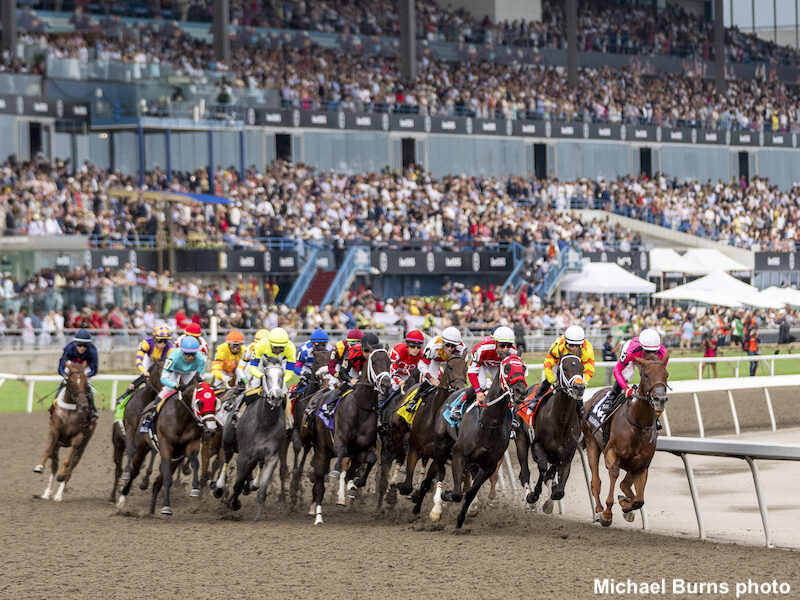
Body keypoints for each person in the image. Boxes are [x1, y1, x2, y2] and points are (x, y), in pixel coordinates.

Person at [589, 328, 667, 437]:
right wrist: (626, 389)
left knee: (655, 387)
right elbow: (617, 371)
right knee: (627, 375)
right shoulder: (631, 350)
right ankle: (611, 398)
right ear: (641, 347)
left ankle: (655, 417)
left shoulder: (663, 353)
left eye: (654, 352)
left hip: (647, 363)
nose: (651, 355)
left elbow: (658, 376)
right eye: (648, 352)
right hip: (634, 357)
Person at [140, 335, 207, 435]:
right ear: (182, 351)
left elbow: (201, 378)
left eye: (193, 354)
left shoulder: (201, 359)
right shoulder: (173, 357)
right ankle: (150, 417)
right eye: (187, 354)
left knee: (196, 393)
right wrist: (176, 386)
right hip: (175, 371)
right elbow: (163, 379)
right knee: (167, 390)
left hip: (190, 372)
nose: (190, 357)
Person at [450, 326, 514, 421]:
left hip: (496, 365)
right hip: (483, 363)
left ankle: (510, 415)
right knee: (482, 385)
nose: (505, 349)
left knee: (504, 386)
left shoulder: (513, 352)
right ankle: (458, 406)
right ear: (495, 343)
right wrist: (478, 391)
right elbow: (472, 373)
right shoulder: (481, 349)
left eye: (509, 345)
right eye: (502, 345)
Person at [531, 325, 595, 419]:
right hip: (558, 364)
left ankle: (580, 407)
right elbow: (548, 364)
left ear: (582, 344)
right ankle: (536, 400)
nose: (574, 348)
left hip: (575, 367)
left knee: (578, 388)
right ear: (566, 342)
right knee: (547, 382)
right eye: (571, 345)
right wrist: (553, 381)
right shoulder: (558, 346)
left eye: (577, 345)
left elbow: (589, 368)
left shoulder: (587, 349)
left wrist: (580, 381)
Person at [246, 327, 300, 425]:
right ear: (270, 344)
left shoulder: (291, 348)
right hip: (263, 363)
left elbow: (289, 372)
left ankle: (288, 420)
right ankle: (240, 414)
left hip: (280, 364)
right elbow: (252, 368)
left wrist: (281, 380)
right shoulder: (260, 345)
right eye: (275, 347)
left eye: (281, 348)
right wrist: (261, 376)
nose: (278, 350)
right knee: (254, 384)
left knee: (283, 391)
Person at [321, 332, 382, 419]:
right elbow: (342, 372)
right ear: (361, 348)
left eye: (371, 351)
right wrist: (350, 380)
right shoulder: (351, 352)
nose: (368, 355)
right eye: (366, 351)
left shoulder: (379, 355)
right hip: (353, 367)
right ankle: (330, 404)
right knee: (349, 384)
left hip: (367, 369)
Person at [56, 328, 99, 420]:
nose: (82, 348)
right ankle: (54, 405)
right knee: (63, 383)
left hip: (85, 368)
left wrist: (87, 376)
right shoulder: (69, 348)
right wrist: (63, 374)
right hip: (72, 366)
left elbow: (94, 369)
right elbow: (61, 364)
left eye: (85, 345)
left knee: (86, 386)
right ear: (75, 343)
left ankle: (92, 410)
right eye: (80, 345)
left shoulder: (93, 351)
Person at [292, 328, 332, 401]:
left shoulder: (330, 349)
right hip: (308, 369)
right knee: (302, 383)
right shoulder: (304, 350)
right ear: (312, 343)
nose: (320, 347)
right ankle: (292, 397)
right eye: (317, 345)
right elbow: (296, 367)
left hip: (323, 369)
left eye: (323, 345)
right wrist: (304, 373)